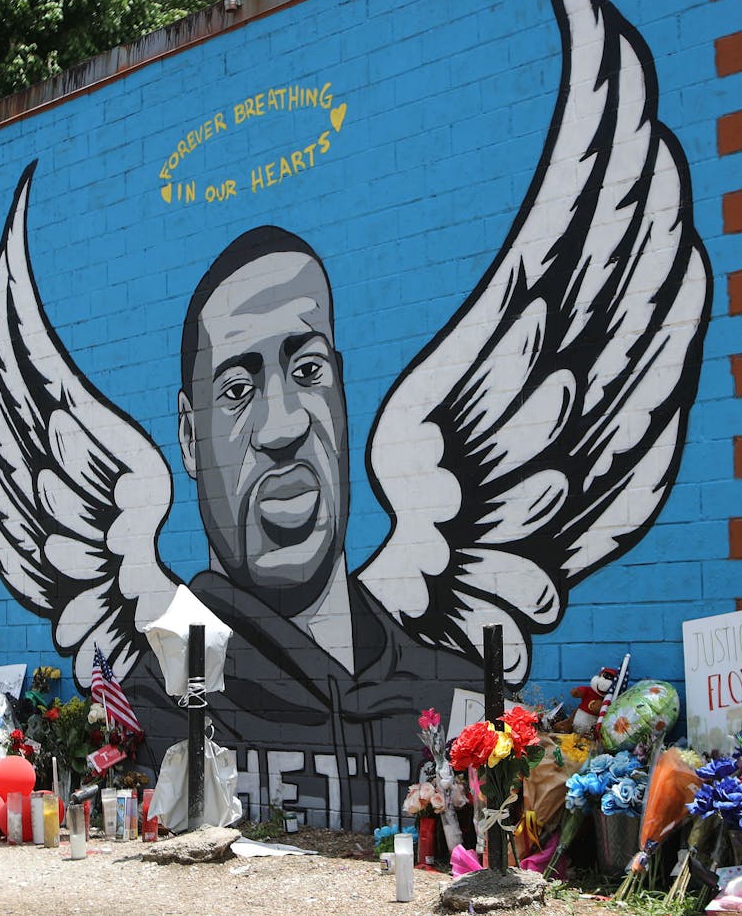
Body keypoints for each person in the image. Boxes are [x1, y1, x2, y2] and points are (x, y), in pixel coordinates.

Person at [130, 227, 484, 829]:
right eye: (238, 390)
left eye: (308, 369)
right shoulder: (159, 702)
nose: (282, 426)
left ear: (342, 392)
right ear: (189, 437)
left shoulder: (454, 696)